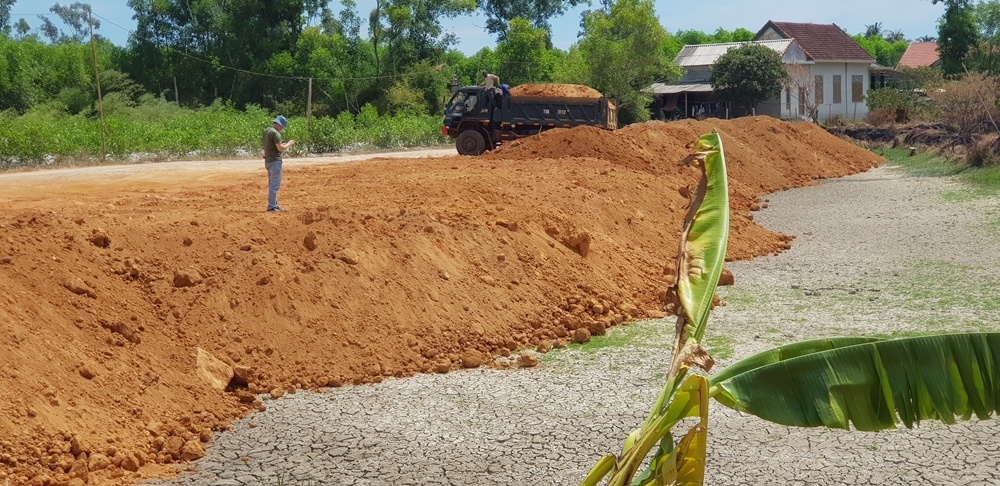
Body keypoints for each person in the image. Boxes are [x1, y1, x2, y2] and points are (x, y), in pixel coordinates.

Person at [262, 115, 295, 212]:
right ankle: (272, 206)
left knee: (272, 184)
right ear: (280, 125)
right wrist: (289, 144)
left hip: (268, 160)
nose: (282, 129)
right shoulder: (276, 134)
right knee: (274, 185)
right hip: (275, 161)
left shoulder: (267, 131)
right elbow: (280, 148)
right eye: (282, 127)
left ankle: (274, 205)